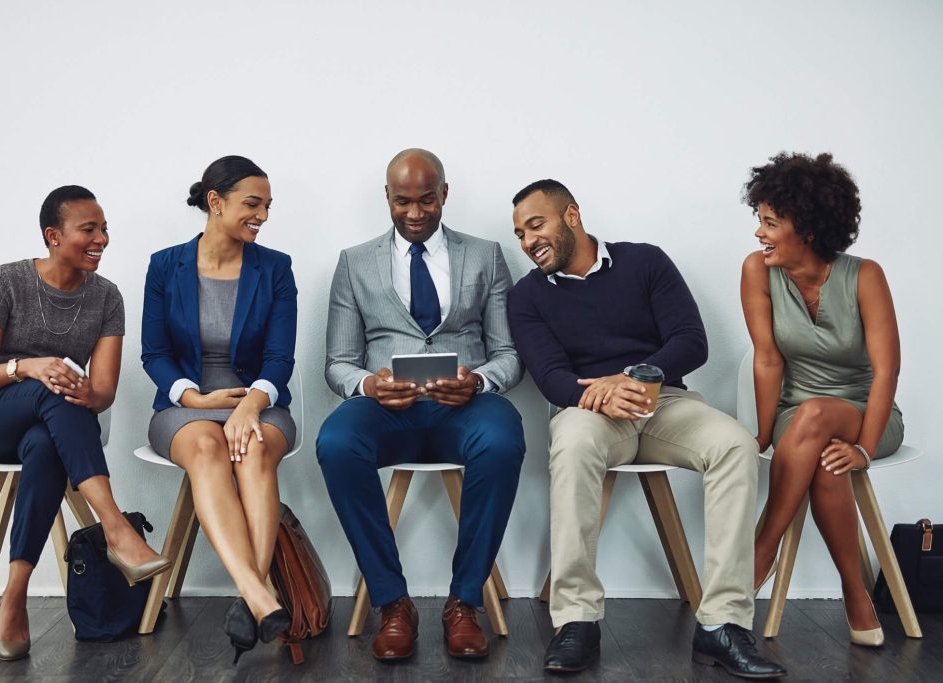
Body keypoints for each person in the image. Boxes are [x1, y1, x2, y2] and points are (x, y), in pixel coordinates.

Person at [507, 180, 786, 678]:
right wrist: (602, 394)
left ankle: (723, 624)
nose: (528, 242)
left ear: (571, 215)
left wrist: (631, 379)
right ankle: (576, 620)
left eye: (536, 225)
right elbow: (550, 377)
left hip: (664, 404)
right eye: (520, 234)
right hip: (589, 410)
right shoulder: (527, 296)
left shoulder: (645, 262)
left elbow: (690, 341)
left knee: (735, 445)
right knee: (570, 443)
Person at [0, 186, 170, 662]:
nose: (102, 239)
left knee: (49, 440)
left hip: (44, 425)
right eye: (89, 229)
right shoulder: (8, 281)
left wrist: (87, 392)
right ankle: (116, 530)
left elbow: (102, 392)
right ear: (53, 235)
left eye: (104, 229)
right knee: (54, 385)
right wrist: (28, 366)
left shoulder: (107, 297)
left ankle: (14, 597)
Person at [316, 149, 524, 662]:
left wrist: (477, 381)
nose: (414, 213)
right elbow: (338, 362)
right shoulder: (354, 261)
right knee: (336, 443)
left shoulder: (486, 255)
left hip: (465, 407)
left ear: (444, 194)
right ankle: (392, 603)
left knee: (503, 439)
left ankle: (464, 602)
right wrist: (369, 386)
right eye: (402, 201)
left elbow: (509, 354)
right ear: (386, 198)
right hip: (388, 409)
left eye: (426, 200)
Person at [742, 152, 902, 647]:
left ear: (806, 228)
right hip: (800, 418)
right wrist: (765, 435)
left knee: (824, 427)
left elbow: (886, 371)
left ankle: (760, 549)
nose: (758, 234)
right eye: (759, 220)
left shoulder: (865, 275)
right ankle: (857, 594)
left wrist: (866, 448)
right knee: (825, 458)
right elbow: (768, 360)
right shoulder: (757, 271)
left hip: (868, 412)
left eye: (770, 222)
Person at [141, 155, 297, 664]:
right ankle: (258, 596)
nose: (263, 216)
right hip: (185, 405)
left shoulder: (275, 268)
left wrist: (251, 404)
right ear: (215, 202)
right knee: (208, 445)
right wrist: (194, 399)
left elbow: (279, 358)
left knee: (249, 448)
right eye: (253, 205)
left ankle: (251, 600)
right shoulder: (166, 265)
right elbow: (155, 354)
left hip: (259, 402)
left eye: (268, 207)